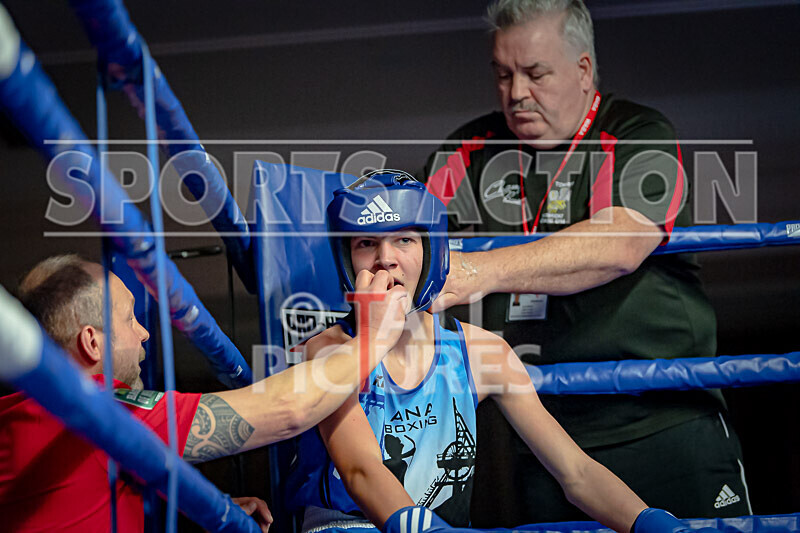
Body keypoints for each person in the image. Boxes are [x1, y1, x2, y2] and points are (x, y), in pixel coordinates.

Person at [420, 0, 749, 526]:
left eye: (535, 73)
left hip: (664, 422)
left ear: (583, 70)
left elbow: (618, 245)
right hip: (544, 434)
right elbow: (408, 253)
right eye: (503, 74)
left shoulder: (639, 134)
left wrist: (475, 271)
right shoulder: (465, 152)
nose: (517, 92)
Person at [287, 169, 712, 533]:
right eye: (366, 244)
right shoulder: (328, 352)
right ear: (347, 260)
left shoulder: (482, 353)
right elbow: (362, 472)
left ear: (432, 250)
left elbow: (575, 472)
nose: (386, 260)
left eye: (404, 240)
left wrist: (649, 521)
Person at [0, 253, 405, 532]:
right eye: (128, 320)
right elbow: (287, 409)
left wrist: (207, 507)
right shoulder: (95, 412)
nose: (143, 334)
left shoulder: (24, 414)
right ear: (91, 342)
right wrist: (375, 337)